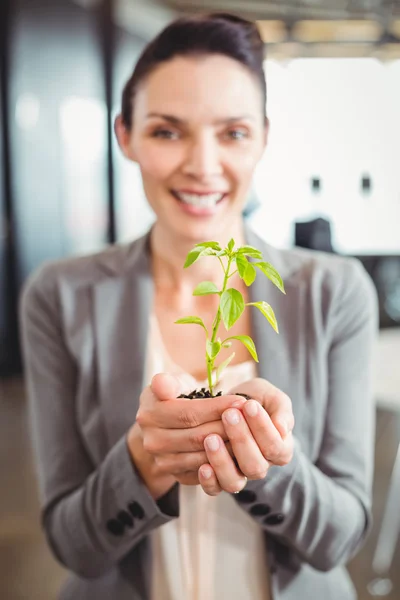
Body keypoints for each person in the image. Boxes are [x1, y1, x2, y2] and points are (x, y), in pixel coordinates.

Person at [19, 12, 378, 600]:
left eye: (232, 132)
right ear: (125, 136)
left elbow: (338, 540)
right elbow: (73, 545)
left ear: (263, 137)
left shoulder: (333, 292)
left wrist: (268, 461)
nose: (203, 165)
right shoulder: (60, 295)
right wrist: (142, 461)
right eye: (167, 131)